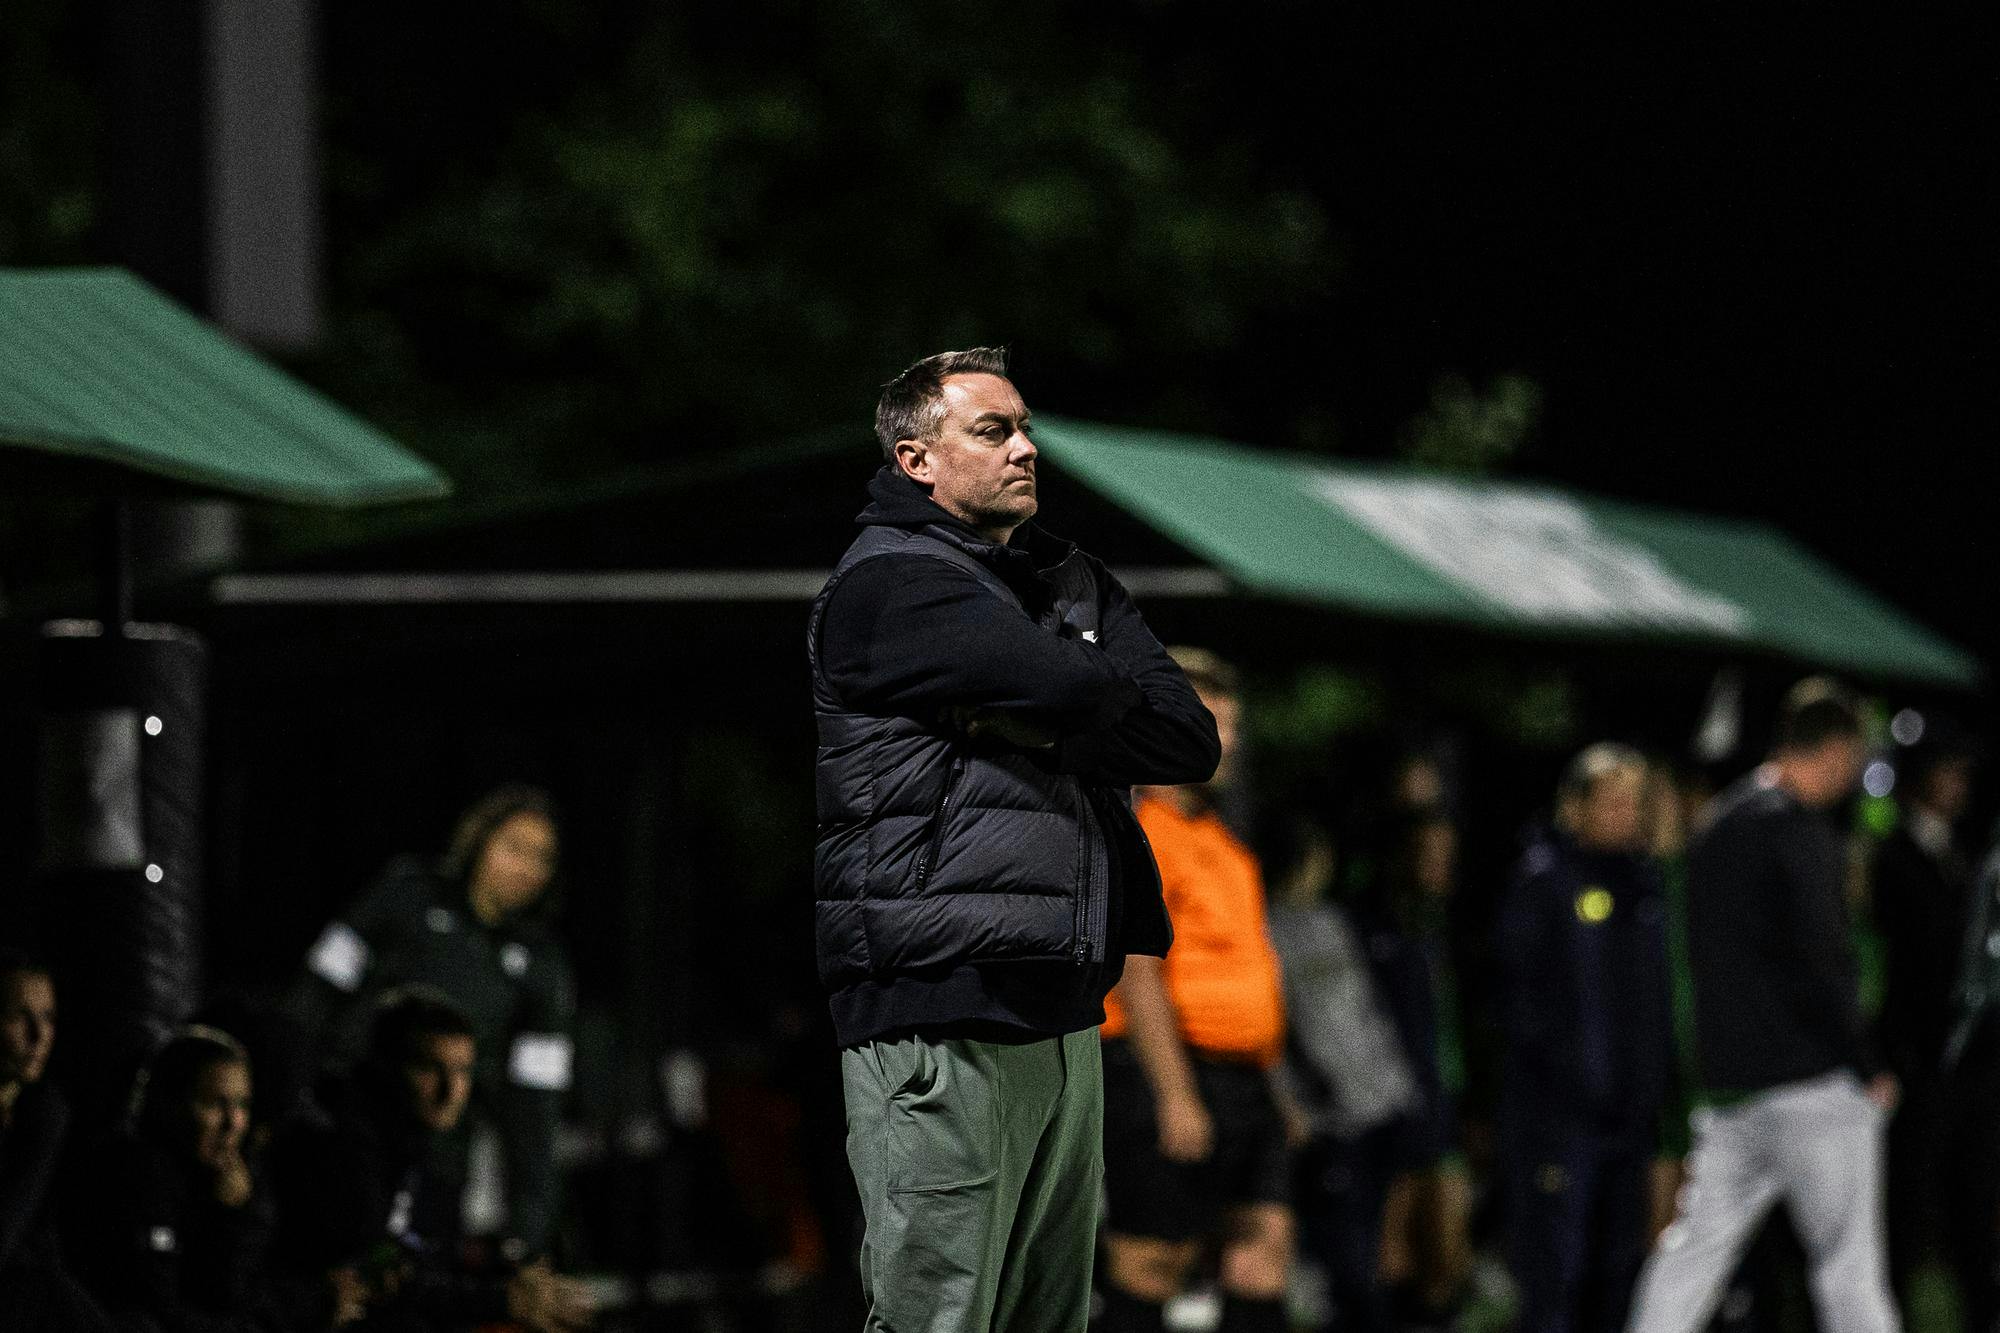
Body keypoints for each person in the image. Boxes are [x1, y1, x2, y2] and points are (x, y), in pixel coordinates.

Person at [808, 346, 1218, 1330]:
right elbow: (1083, 689)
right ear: (916, 459)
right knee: (936, 1316)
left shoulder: (1064, 579)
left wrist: (1040, 696)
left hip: (1065, 1009)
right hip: (943, 1004)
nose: (1025, 448)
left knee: (1048, 1320)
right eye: (992, 430)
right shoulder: (892, 583)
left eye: (1024, 427)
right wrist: (1070, 687)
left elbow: (1184, 737)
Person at [1625, 679, 1898, 1333]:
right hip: (1813, 1089)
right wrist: (1866, 1064)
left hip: (1733, 1090)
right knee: (1848, 1266)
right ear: (1835, 750)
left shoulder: (1719, 825)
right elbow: (1822, 965)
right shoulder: (1798, 832)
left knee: (1691, 1254)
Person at [1097, 649, 1296, 1333]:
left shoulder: (1224, 843)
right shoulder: (1141, 831)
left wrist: (1273, 1088)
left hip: (1243, 1078)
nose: (1229, 741)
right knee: (1153, 1258)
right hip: (1166, 1069)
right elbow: (1136, 969)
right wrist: (1175, 1093)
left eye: (1235, 725)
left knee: (1263, 1249)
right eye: (1215, 721)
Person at [289, 786, 576, 1258]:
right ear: (480, 839)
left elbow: (536, 1106)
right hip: (347, 1127)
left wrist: (528, 1228)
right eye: (514, 847)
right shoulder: (405, 896)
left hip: (440, 1160)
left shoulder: (543, 967)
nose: (526, 867)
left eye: (541, 857)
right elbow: (317, 990)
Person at [272, 987, 589, 1333]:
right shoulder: (344, 1144)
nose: (450, 1090)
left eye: (462, 1071)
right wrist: (501, 1300)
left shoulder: (420, 1143)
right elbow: (378, 1276)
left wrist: (503, 1269)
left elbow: (423, 1258)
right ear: (386, 1065)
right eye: (429, 1068)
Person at [1498, 744, 1672, 1333]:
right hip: (1558, 1122)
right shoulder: (1543, 882)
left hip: (1631, 1119)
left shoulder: (1647, 888)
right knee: (1555, 1274)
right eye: (1613, 800)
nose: (1628, 814)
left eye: (1635, 802)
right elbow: (1520, 1004)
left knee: (1621, 1270)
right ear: (1575, 806)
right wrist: (1563, 1083)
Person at [72, 1026, 355, 1330]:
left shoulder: (227, 1182)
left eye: (242, 1105)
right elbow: (159, 1310)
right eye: (214, 1104)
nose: (233, 1122)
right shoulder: (136, 1176)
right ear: (169, 1103)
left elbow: (236, 1293)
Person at [1267, 814, 1418, 1333]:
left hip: (1379, 1102)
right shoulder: (1268, 929)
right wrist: (1294, 1101)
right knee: (1344, 1247)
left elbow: (1366, 1009)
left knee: (1375, 1238)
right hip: (1329, 1115)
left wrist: (1396, 1081)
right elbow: (1276, 1033)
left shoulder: (1333, 921)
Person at [1348, 766, 1472, 1329]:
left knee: (1445, 1250)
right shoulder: (1378, 927)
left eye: (1447, 854)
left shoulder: (1440, 928)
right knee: (1394, 1244)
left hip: (1441, 1100)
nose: (1441, 867)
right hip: (1394, 1104)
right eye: (1429, 855)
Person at [1871, 728, 1977, 1302]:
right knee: (1908, 1197)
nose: (1959, 785)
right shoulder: (1892, 855)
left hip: (1961, 1059)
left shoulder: (1959, 854)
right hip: (1913, 1057)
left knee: (1970, 1192)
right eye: (1949, 773)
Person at [0, 950, 111, 1329]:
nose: (39, 1035)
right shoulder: (42, 1117)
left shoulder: (43, 1110)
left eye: (49, 1018)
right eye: (18, 1016)